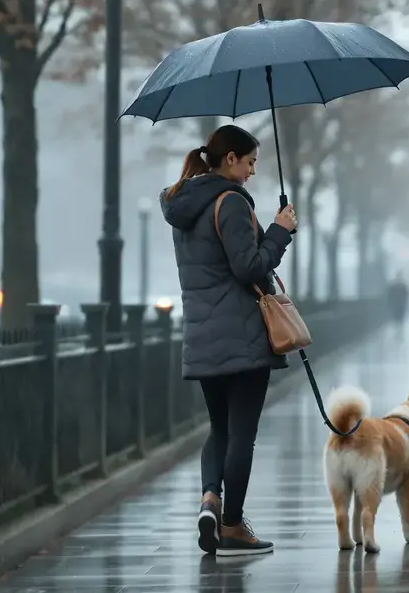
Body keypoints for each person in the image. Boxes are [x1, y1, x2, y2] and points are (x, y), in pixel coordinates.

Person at [160, 124, 298, 558]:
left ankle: (209, 500)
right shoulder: (231, 202)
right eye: (252, 162)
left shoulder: (184, 204)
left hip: (203, 337)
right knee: (242, 433)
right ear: (232, 159)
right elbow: (249, 268)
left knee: (219, 428)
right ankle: (233, 525)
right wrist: (279, 231)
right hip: (241, 336)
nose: (254, 172)